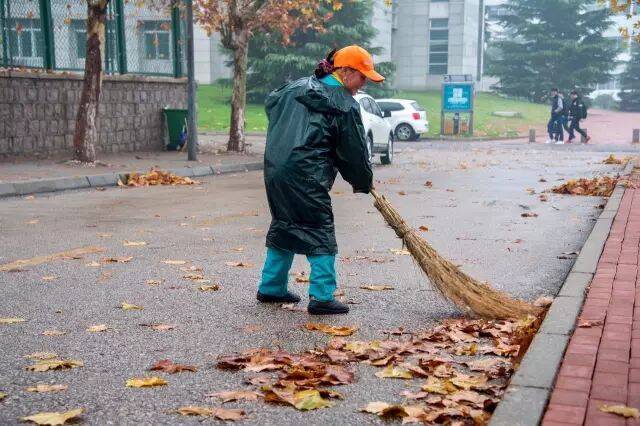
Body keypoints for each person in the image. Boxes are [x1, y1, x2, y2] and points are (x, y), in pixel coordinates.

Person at [256, 45, 384, 315]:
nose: (363, 84)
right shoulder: (344, 105)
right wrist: (363, 181)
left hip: (277, 170)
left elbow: (271, 104)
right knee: (320, 229)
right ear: (346, 72)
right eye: (362, 77)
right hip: (308, 175)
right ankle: (322, 297)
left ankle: (271, 287)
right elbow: (353, 151)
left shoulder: (294, 88)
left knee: (284, 223)